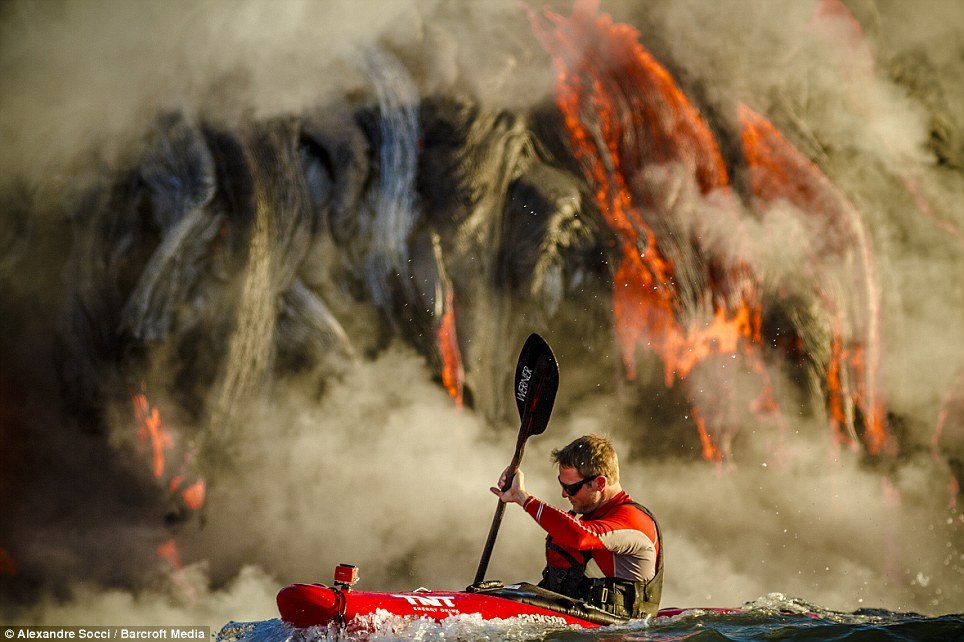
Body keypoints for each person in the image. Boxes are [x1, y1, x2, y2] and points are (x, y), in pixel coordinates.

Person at [491, 434, 663, 618]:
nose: (564, 494)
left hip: (618, 632)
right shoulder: (592, 516)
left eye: (571, 488)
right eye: (562, 484)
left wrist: (523, 498)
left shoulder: (634, 520)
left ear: (600, 483)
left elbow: (582, 537)